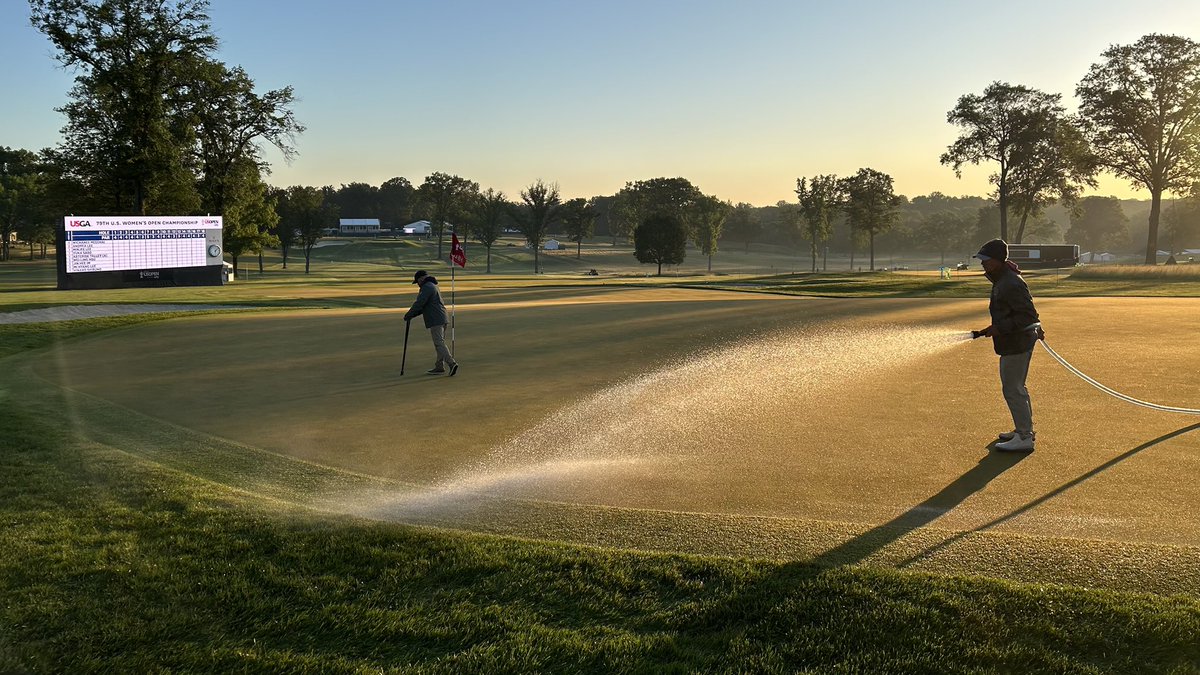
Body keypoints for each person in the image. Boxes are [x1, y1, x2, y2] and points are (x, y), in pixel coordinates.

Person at [973, 239, 1043, 452]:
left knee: (1013, 389)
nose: (983, 264)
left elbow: (1027, 315)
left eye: (986, 260)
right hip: (1014, 341)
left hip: (1017, 342)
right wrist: (995, 327)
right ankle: (1024, 430)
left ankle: (1023, 436)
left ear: (997, 260)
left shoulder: (1010, 282)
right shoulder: (1003, 279)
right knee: (1016, 387)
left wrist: (1000, 329)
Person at [403, 270, 459, 376]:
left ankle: (451, 363)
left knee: (439, 342)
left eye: (417, 282)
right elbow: (423, 306)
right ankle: (439, 366)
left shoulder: (427, 287)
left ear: (421, 279)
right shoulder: (432, 285)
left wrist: (409, 314)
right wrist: (412, 315)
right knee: (439, 343)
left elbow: (419, 303)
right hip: (442, 317)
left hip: (436, 319)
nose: (417, 284)